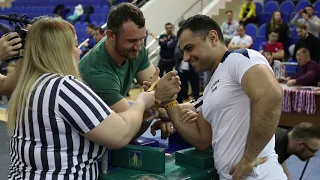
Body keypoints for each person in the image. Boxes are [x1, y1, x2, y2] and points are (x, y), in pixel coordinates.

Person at [6, 17, 158, 180]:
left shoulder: (30, 83)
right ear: (60, 51)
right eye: (75, 45)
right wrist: (142, 101)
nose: (79, 52)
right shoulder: (62, 87)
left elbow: (101, 121)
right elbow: (120, 134)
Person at [144, 14, 286, 180]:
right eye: (183, 51)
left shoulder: (240, 58)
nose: (186, 58)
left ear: (212, 38)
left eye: (190, 48)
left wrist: (248, 158)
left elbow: (271, 95)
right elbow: (202, 140)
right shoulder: (212, 89)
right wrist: (165, 101)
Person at [79, 3, 179, 140]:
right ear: (110, 35)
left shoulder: (136, 51)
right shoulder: (96, 73)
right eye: (131, 41)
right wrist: (160, 109)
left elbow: (160, 89)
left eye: (142, 38)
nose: (138, 47)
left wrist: (165, 111)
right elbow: (129, 130)